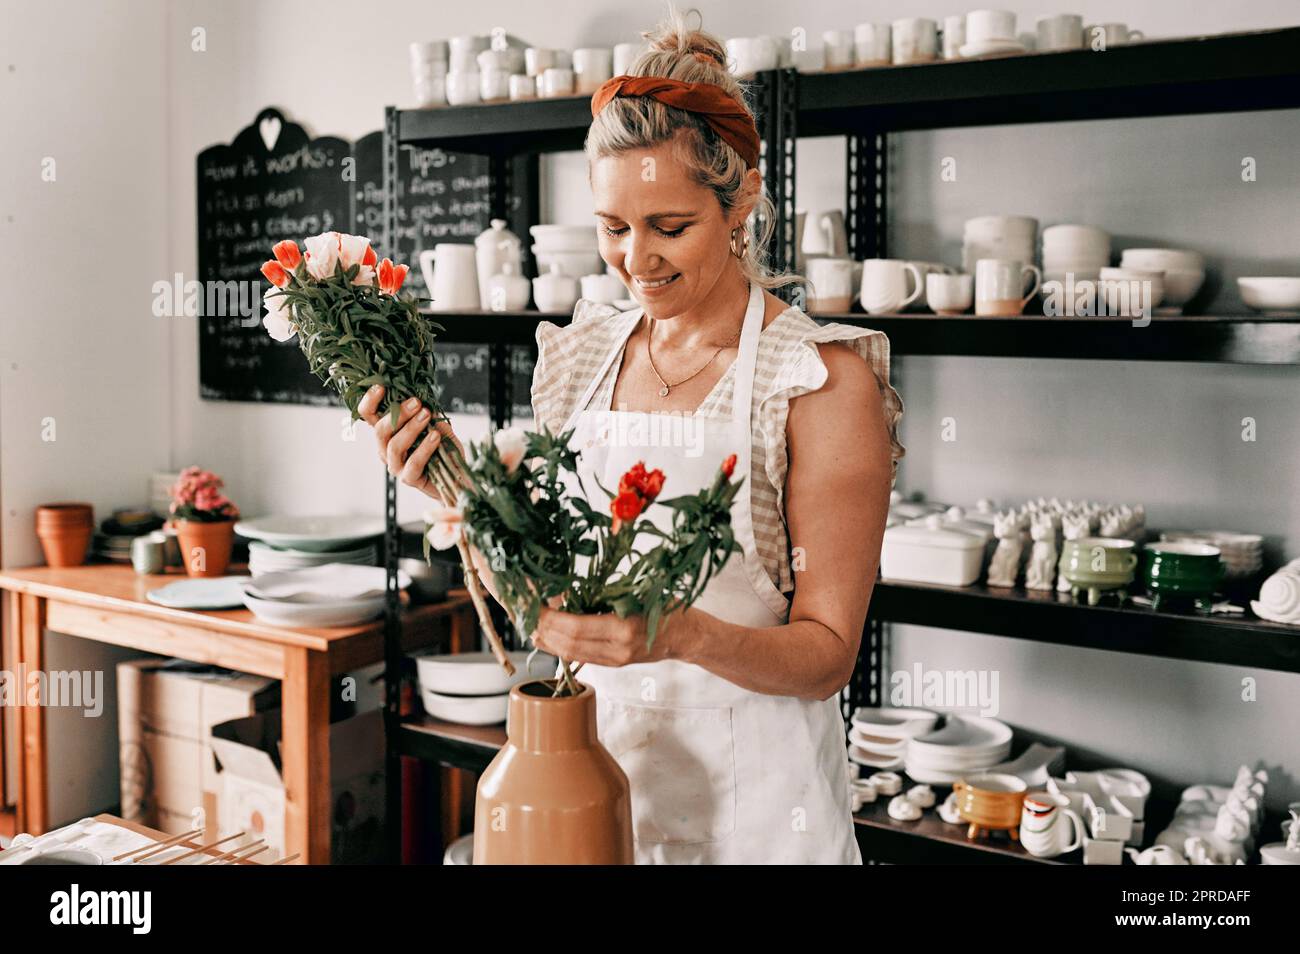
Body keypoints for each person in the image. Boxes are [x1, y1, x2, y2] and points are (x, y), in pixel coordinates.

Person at [359, 6, 904, 864]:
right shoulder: (578, 359)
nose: (635, 260)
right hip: (594, 793)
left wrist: (682, 633)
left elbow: (828, 654)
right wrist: (460, 496)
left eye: (670, 227)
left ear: (740, 204)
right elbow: (544, 606)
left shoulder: (818, 381)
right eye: (613, 228)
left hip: (763, 820)